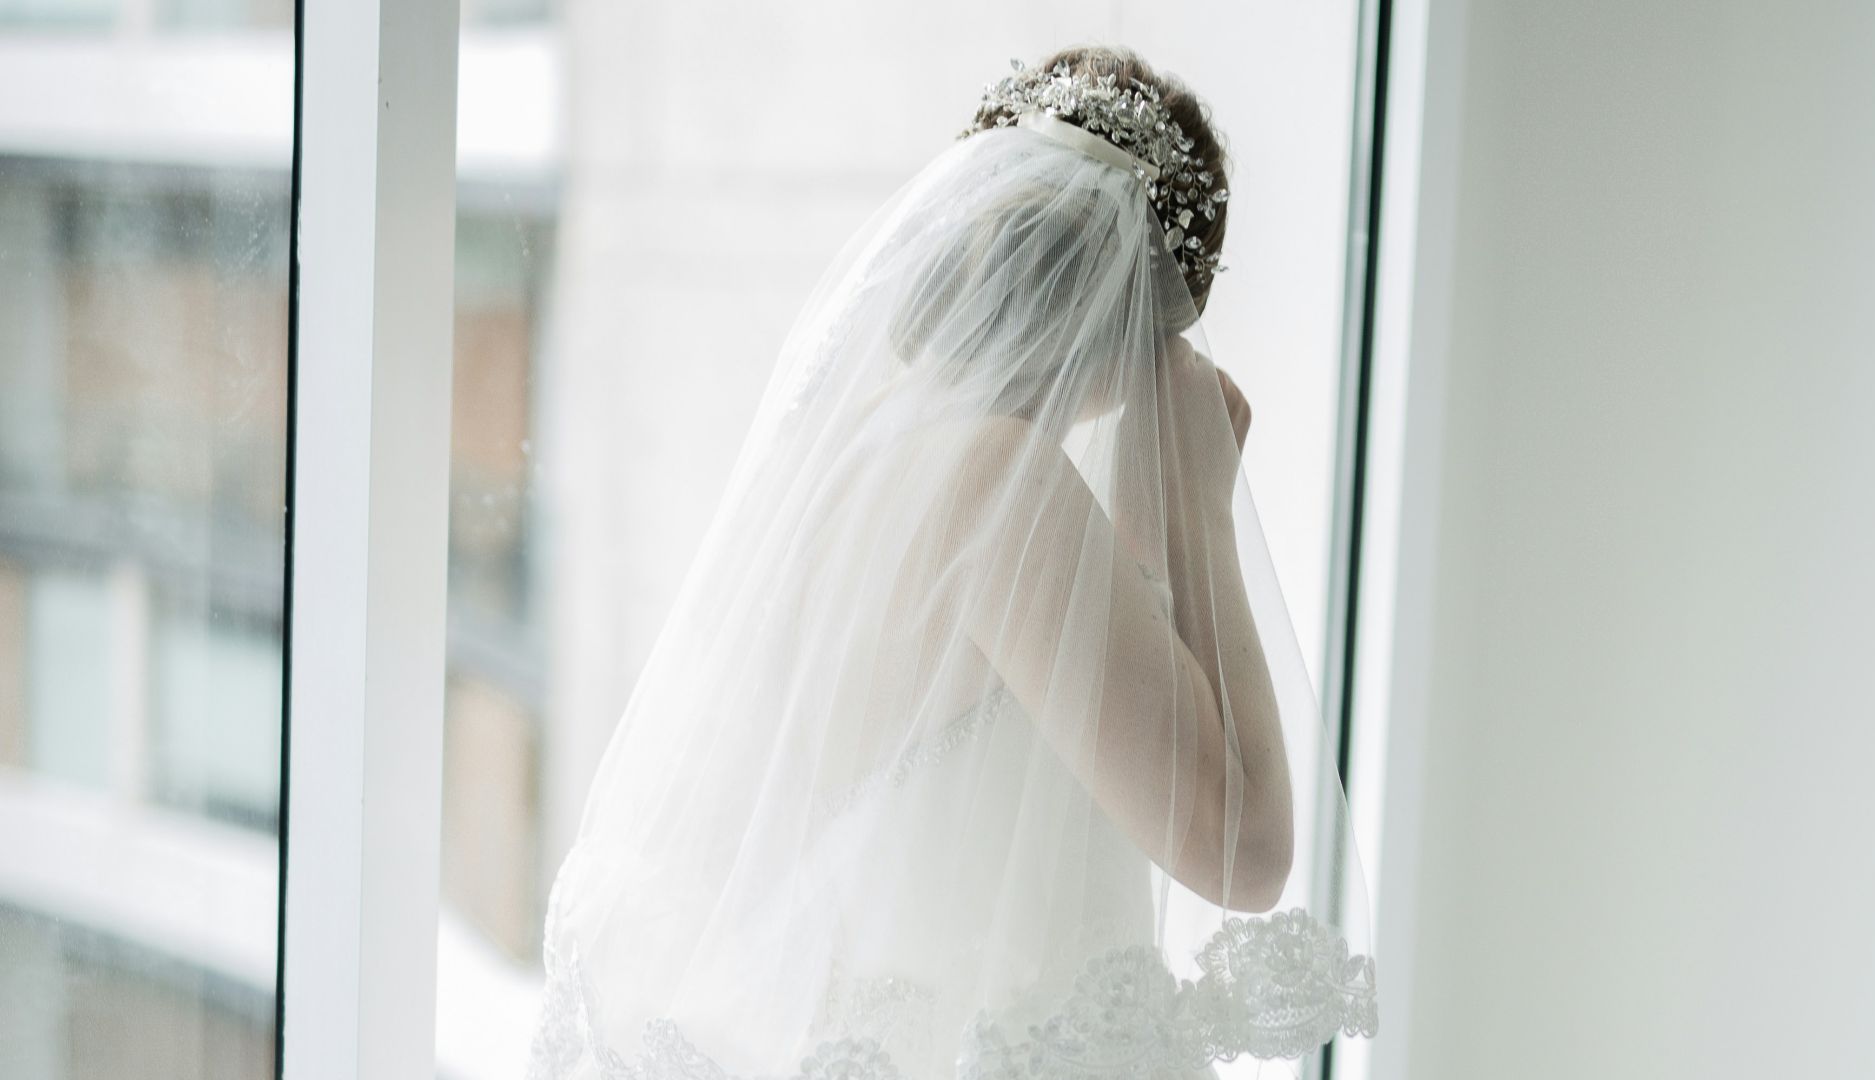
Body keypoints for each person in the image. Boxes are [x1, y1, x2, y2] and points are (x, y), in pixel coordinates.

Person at [527, 45, 1376, 1080]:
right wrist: (1198, 510)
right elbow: (1243, 850)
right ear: (1151, 312)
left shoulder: (858, 453)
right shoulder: (999, 484)